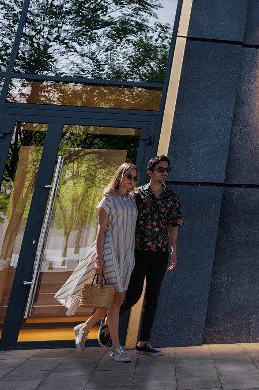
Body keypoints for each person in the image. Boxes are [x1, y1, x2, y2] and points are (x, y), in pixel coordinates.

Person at [98, 154, 183, 355]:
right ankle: (108, 322)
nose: (165, 173)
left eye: (167, 170)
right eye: (161, 169)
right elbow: (119, 204)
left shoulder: (172, 198)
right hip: (138, 252)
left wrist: (173, 249)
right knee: (133, 294)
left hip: (160, 253)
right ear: (150, 172)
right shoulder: (137, 195)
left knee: (153, 297)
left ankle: (143, 342)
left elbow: (174, 224)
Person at [56, 162, 139, 363]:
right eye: (129, 176)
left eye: (135, 178)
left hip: (126, 254)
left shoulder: (131, 200)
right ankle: (116, 348)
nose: (132, 181)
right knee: (115, 299)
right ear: (120, 176)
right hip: (109, 251)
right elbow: (101, 231)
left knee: (116, 299)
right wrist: (99, 259)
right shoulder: (107, 199)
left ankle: (84, 327)